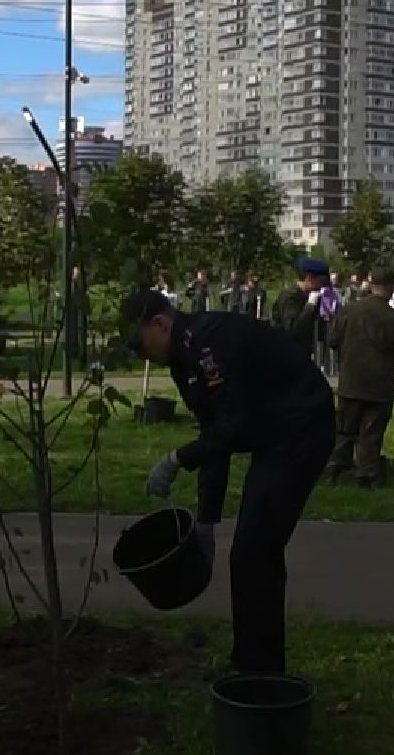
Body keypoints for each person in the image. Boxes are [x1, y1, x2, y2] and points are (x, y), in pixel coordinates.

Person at [128, 287, 334, 674]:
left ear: (159, 323)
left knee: (255, 553)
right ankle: (252, 665)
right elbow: (215, 438)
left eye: (141, 344)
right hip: (272, 436)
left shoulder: (211, 342)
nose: (142, 356)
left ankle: (260, 674)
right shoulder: (181, 362)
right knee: (250, 555)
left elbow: (233, 429)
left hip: (302, 430)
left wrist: (177, 459)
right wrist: (206, 523)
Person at [326, 271, 394, 487]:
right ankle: (367, 475)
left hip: (351, 381)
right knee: (372, 433)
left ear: (370, 284)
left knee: (345, 431)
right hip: (380, 385)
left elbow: (333, 340)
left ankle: (335, 471)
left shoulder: (349, 311)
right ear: (392, 287)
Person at [272, 258, 328, 356]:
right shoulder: (290, 296)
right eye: (320, 281)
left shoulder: (311, 296)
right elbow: (292, 329)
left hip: (304, 352)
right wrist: (310, 306)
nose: (321, 286)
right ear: (309, 278)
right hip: (286, 353)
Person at [317, 272, 343, 375]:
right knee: (326, 342)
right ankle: (328, 367)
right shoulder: (327, 291)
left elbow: (334, 303)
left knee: (327, 342)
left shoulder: (331, 291)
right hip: (326, 319)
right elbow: (331, 305)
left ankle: (329, 367)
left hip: (328, 318)